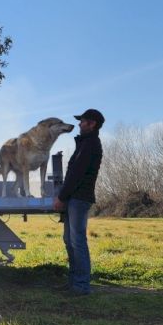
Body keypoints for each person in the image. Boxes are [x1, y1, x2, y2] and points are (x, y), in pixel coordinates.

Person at [52, 109, 104, 296]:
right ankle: (74, 282)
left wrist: (61, 197)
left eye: (83, 121)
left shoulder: (90, 144)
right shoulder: (85, 143)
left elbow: (76, 175)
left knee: (77, 241)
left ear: (92, 124)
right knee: (69, 240)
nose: (80, 124)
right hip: (74, 198)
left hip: (79, 199)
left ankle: (81, 286)